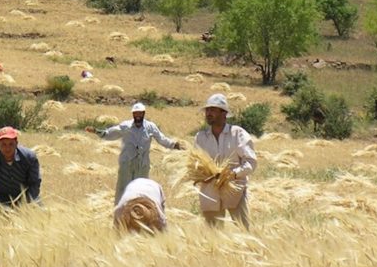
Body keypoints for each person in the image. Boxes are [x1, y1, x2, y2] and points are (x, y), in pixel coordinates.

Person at [87, 102, 182, 204]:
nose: (137, 116)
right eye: (135, 114)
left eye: (140, 113)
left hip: (142, 165)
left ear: (143, 114)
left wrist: (174, 145)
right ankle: (120, 212)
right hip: (127, 164)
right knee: (123, 189)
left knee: (141, 191)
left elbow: (161, 139)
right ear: (133, 114)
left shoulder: (150, 127)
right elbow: (110, 133)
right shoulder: (126, 126)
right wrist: (97, 131)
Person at [193, 93, 257, 229]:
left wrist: (233, 174)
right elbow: (195, 163)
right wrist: (199, 175)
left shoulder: (238, 134)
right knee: (213, 234)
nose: (208, 113)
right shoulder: (200, 137)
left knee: (243, 230)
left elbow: (251, 162)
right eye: (207, 110)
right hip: (209, 191)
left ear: (224, 114)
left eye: (213, 110)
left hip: (235, 190)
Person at [0, 127, 42, 208]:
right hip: (3, 200)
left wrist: (27, 202)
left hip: (28, 198)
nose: (7, 148)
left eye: (11, 144)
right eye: (3, 144)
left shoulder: (29, 158)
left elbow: (35, 182)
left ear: (16, 143)